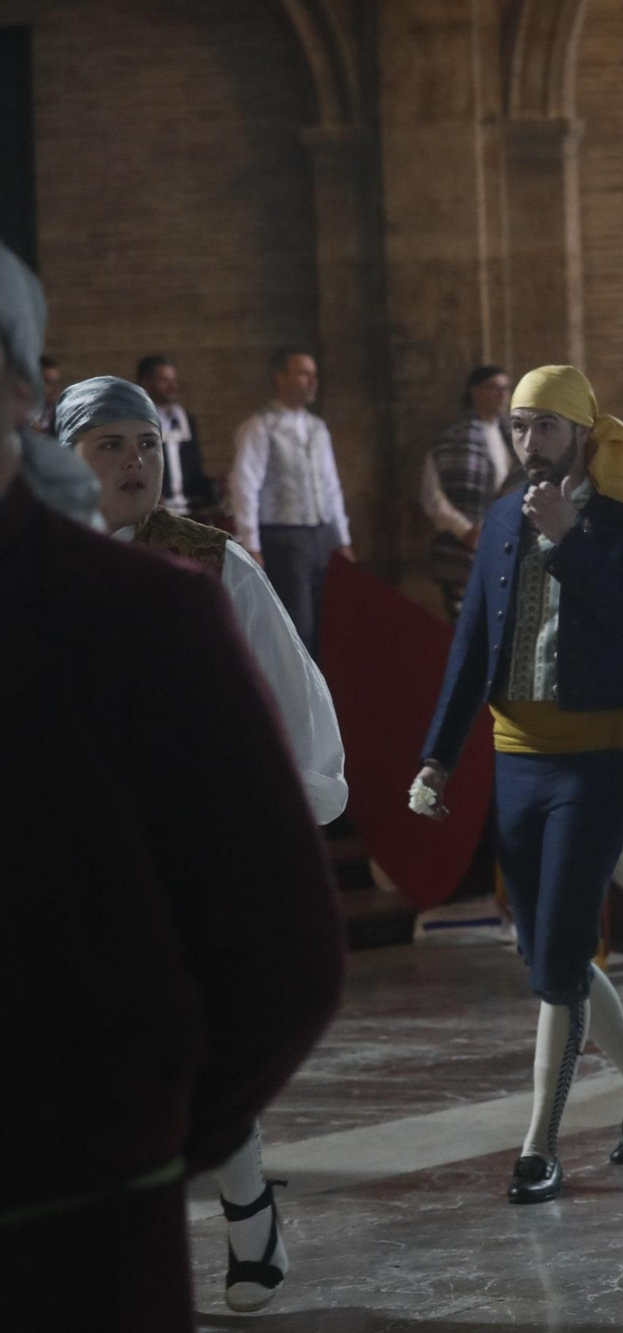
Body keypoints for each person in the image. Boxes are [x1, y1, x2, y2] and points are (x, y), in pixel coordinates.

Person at [0, 241, 345, 1333]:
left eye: (147, 443)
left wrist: (138, 1140)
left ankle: (246, 1215)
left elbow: (280, 954)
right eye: (113, 445)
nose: (136, 462)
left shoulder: (189, 583)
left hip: (86, 1161)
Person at [411, 364, 623, 1205]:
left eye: (546, 428)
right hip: (517, 761)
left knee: (562, 954)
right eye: (520, 428)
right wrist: (437, 756)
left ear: (580, 430)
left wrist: (571, 539)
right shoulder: (499, 517)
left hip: (599, 759)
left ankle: (539, 1144)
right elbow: (472, 646)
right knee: (548, 951)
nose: (530, 444)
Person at [228, 347, 354, 656]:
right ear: (280, 378)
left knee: (327, 627)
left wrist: (343, 538)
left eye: (314, 374)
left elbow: (331, 485)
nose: (312, 381)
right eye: (303, 373)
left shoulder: (317, 427)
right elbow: (245, 485)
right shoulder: (260, 426)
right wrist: (251, 544)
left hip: (321, 536)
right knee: (299, 625)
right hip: (284, 538)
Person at [419, 365, 517, 621]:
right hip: (465, 547)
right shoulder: (451, 440)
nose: (502, 394)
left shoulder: (517, 438)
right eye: (494, 388)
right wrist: (465, 530)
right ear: (475, 392)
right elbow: (432, 496)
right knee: (466, 621)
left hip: (508, 541)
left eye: (505, 388)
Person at [136, 354, 217, 518]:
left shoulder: (186, 420)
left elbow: (195, 469)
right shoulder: (135, 423)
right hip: (152, 515)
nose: (172, 387)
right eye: (164, 381)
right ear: (147, 383)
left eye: (173, 380)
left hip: (188, 512)